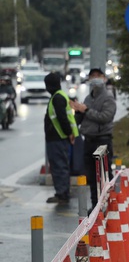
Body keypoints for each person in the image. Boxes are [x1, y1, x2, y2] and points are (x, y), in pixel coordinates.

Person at [70, 69, 117, 209]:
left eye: (98, 76)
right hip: (88, 140)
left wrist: (86, 110)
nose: (95, 79)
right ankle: (95, 205)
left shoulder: (108, 97)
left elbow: (105, 117)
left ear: (104, 78)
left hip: (102, 141)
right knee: (91, 176)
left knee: (104, 175)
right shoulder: (88, 98)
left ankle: (108, 204)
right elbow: (82, 116)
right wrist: (77, 111)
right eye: (92, 76)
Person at [44, 72, 78, 204]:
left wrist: (69, 132)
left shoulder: (57, 98)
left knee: (59, 166)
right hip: (57, 137)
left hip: (58, 137)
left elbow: (63, 118)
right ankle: (62, 192)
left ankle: (62, 194)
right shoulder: (58, 96)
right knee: (59, 165)